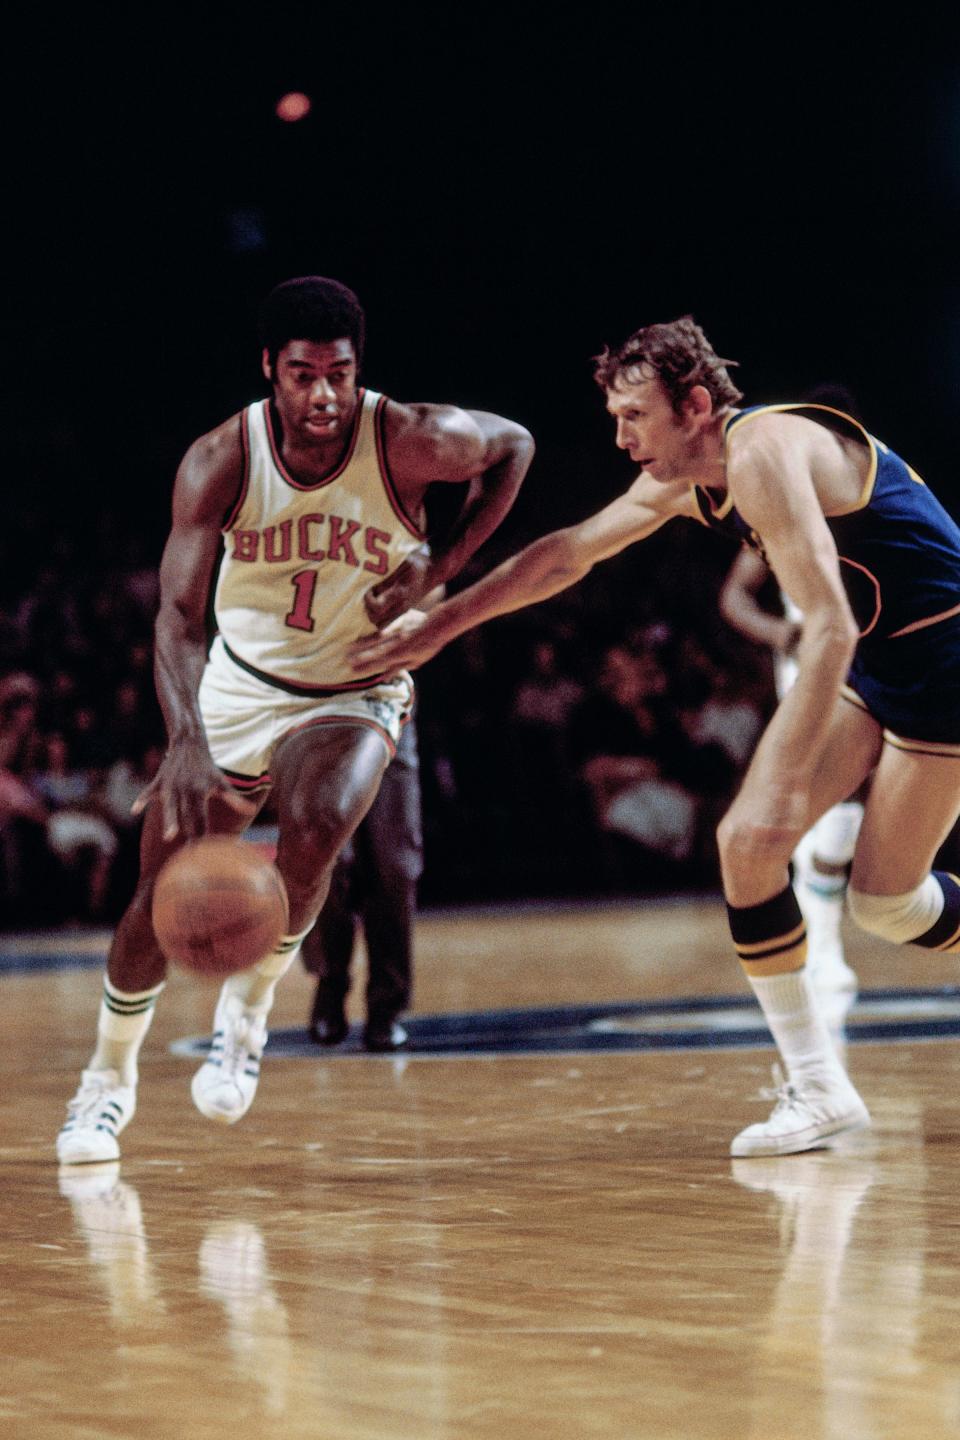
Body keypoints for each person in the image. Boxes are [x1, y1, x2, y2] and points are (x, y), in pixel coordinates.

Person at [351, 314, 960, 1158]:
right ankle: (821, 1091)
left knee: (882, 901)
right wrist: (443, 625)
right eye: (614, 417)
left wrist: (777, 774)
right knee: (751, 848)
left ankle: (820, 1083)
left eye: (635, 416)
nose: (620, 435)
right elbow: (568, 554)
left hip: (944, 660)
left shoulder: (763, 452)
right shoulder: (688, 481)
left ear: (697, 405)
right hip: (880, 662)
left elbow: (826, 628)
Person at [57, 275, 535, 1164]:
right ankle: (106, 1082)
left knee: (318, 826)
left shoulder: (415, 438)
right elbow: (174, 618)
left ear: (361, 370)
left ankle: (247, 1018)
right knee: (156, 900)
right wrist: (188, 742)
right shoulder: (221, 459)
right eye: (304, 375)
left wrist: (439, 566)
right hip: (240, 685)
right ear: (269, 371)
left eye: (341, 375)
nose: (324, 396)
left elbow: (517, 446)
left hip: (356, 683)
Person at [719, 547, 862, 1022]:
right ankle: (820, 941)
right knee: (832, 801)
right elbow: (735, 596)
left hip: (881, 650)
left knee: (850, 810)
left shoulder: (882, 494)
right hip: (815, 658)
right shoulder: (774, 501)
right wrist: (780, 632)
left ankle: (817, 918)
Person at [303, 715, 423, 1052]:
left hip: (385, 708)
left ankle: (387, 1007)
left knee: (393, 865)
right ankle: (330, 980)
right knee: (325, 860)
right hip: (319, 711)